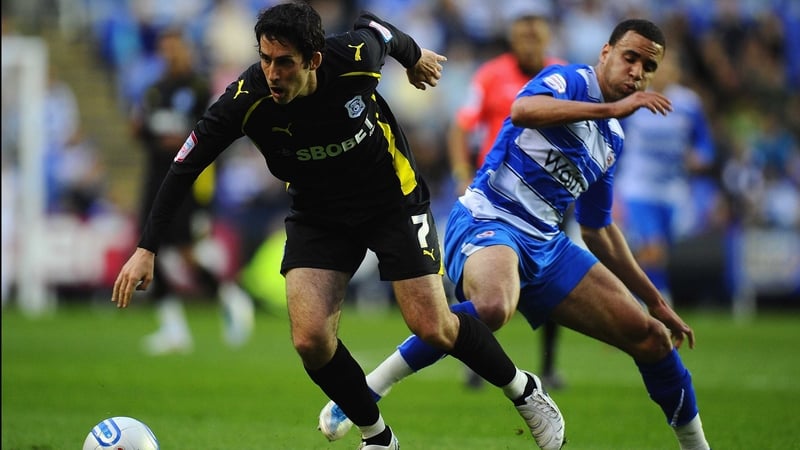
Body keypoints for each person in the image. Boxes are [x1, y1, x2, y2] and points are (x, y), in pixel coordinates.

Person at [112, 3, 565, 450]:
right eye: (265, 59)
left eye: (284, 63)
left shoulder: (352, 59)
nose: (272, 73)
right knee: (310, 339)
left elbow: (378, 29)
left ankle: (524, 391)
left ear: (313, 60)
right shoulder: (244, 99)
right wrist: (146, 247)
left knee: (433, 327)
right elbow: (185, 165)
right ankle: (378, 438)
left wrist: (413, 58)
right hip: (318, 213)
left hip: (391, 199)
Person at [319, 18, 712, 450]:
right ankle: (368, 389)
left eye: (647, 67)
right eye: (630, 57)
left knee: (652, 338)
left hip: (546, 243)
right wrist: (610, 109)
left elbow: (598, 228)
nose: (636, 72)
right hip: (489, 217)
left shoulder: (612, 139)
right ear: (605, 53)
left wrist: (654, 301)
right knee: (491, 306)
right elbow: (523, 111)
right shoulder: (569, 79)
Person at [448, 11, 567, 391]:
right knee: (480, 282)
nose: (530, 43)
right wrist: (460, 173)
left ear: (547, 39)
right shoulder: (490, 75)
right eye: (522, 37)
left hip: (546, 196)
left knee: (548, 278)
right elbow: (462, 125)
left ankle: (548, 366)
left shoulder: (564, 78)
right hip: (495, 197)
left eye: (536, 36)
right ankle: (475, 359)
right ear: (513, 40)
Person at [129, 28, 254, 355]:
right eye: (165, 49)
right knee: (147, 248)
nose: (170, 54)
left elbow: (208, 131)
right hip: (156, 178)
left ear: (185, 49)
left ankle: (230, 297)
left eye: (175, 48)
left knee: (185, 251)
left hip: (190, 180)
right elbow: (141, 130)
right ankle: (172, 328)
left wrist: (174, 137)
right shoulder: (154, 91)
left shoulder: (199, 87)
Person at [614, 48, 716, 304]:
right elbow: (616, 140)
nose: (663, 73)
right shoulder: (634, 99)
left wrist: (700, 157)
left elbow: (704, 143)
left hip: (673, 189)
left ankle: (624, 296)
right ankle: (658, 302)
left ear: (678, 72)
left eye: (669, 67)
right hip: (638, 186)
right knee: (653, 247)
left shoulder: (689, 103)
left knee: (657, 253)